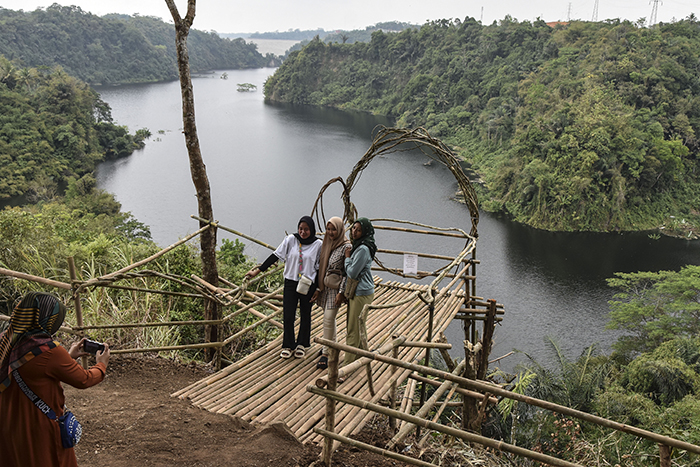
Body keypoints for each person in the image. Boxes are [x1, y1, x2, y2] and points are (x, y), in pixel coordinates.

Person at [0, 291, 110, 467]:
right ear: (47, 320)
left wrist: (68, 356)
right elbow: (84, 379)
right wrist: (101, 365)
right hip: (38, 427)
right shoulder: (49, 351)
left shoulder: (5, 341)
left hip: (9, 423)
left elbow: (35, 370)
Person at [246, 216, 322, 359]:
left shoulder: (318, 244)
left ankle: (301, 344)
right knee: (288, 315)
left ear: (311, 230)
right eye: (300, 228)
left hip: (308, 284)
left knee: (305, 315)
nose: (303, 232)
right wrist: (257, 271)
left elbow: (319, 268)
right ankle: (288, 344)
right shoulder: (291, 240)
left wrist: (318, 289)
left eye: (306, 229)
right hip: (291, 282)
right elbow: (276, 256)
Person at [315, 216, 352, 370]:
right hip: (326, 286)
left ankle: (326, 353)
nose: (330, 232)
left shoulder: (346, 247)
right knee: (330, 320)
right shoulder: (327, 242)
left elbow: (347, 272)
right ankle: (332, 346)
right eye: (328, 229)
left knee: (328, 319)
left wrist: (342, 292)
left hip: (337, 288)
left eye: (333, 229)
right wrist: (319, 288)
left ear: (340, 229)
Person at [343, 217, 377, 365]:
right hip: (362, 291)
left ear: (365, 232)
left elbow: (352, 273)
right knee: (359, 325)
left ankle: (347, 366)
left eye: (358, 230)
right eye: (353, 228)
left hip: (360, 292)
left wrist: (347, 259)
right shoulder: (361, 245)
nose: (354, 232)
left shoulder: (362, 249)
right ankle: (361, 356)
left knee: (353, 329)